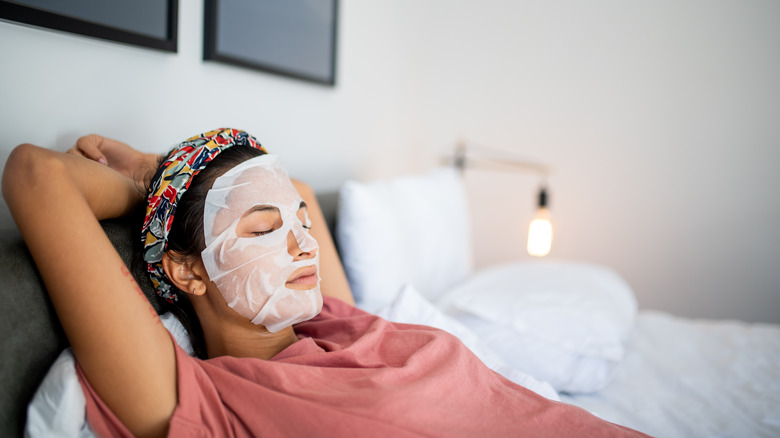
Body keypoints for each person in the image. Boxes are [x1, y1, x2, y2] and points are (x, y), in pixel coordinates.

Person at [3, 128, 648, 438]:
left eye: (301, 226)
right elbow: (36, 175)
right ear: (188, 270)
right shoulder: (201, 402)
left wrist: (169, 170)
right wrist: (157, 189)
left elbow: (300, 192)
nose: (302, 242)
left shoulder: (334, 320)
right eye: (262, 230)